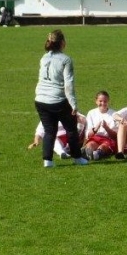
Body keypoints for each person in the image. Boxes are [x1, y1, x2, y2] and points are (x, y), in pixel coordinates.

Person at [33, 29, 87, 168]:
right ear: (62, 42)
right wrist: (73, 104)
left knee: (49, 130)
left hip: (40, 99)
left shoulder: (44, 58)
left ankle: (48, 161)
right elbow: (68, 84)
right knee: (71, 128)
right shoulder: (66, 60)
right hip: (57, 99)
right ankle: (77, 157)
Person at [83, 90, 118, 161]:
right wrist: (95, 129)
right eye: (100, 101)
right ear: (96, 101)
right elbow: (88, 135)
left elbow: (115, 136)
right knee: (91, 144)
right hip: (95, 137)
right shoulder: (91, 113)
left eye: (105, 101)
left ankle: (97, 154)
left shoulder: (114, 114)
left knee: (103, 146)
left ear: (108, 101)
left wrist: (107, 128)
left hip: (108, 139)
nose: (103, 103)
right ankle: (88, 152)